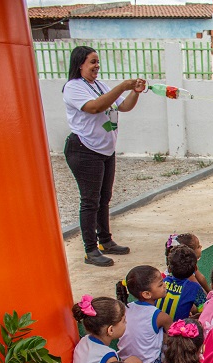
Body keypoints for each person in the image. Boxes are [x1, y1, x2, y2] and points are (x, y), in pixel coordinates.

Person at [62, 46, 145, 267]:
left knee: (104, 198)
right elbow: (96, 107)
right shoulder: (73, 88)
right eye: (92, 62)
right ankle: (90, 250)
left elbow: (124, 107)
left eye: (98, 62)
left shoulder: (99, 85)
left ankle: (105, 241)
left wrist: (133, 91)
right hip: (84, 150)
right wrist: (122, 86)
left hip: (105, 150)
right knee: (90, 201)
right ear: (80, 64)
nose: (96, 66)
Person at [115, 265, 173, 363]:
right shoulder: (161, 317)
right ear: (146, 294)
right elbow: (175, 339)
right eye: (160, 284)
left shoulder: (125, 308)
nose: (165, 286)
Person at [156, 245, 207, 321]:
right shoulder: (194, 288)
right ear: (195, 268)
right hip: (179, 329)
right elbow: (205, 310)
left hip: (157, 326)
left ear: (169, 269)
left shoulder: (164, 281)